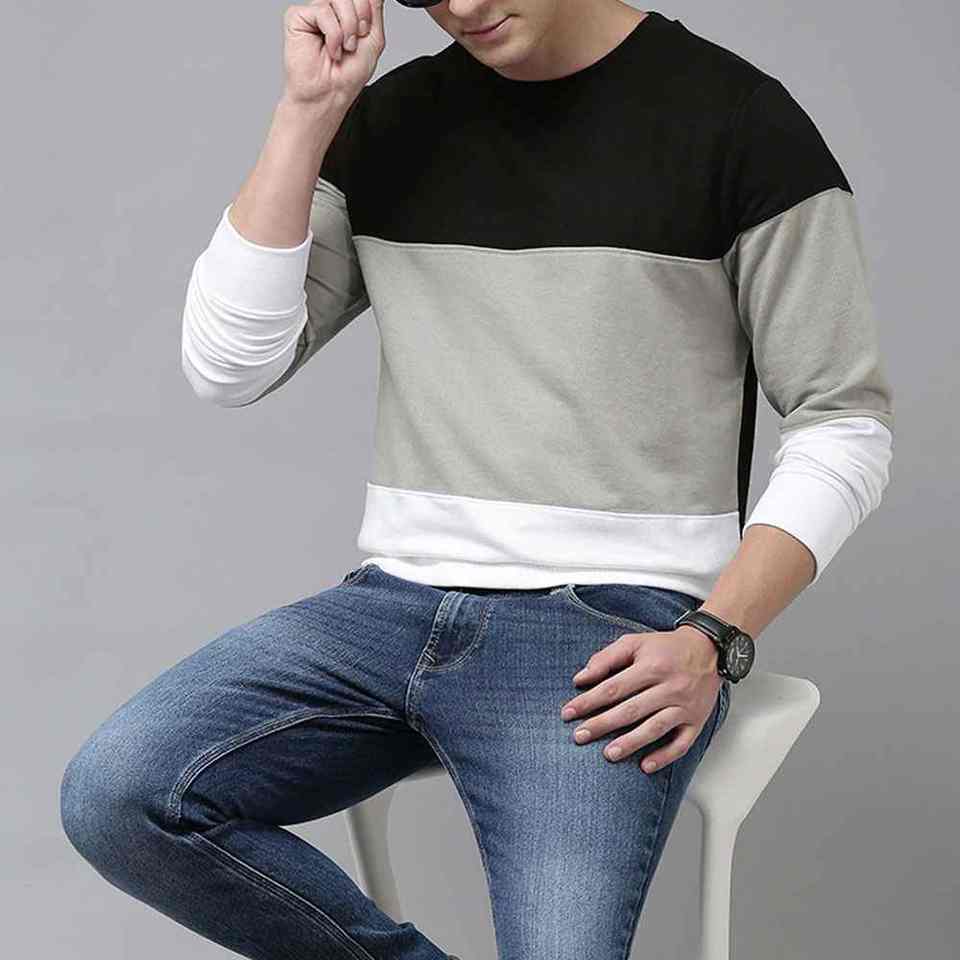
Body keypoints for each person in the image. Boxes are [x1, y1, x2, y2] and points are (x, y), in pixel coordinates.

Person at [60, 2, 894, 958]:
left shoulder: (740, 121)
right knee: (120, 794)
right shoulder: (387, 121)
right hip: (390, 608)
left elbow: (845, 424)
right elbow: (228, 367)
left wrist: (716, 633)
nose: (456, 6)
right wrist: (306, 114)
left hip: (604, 635)